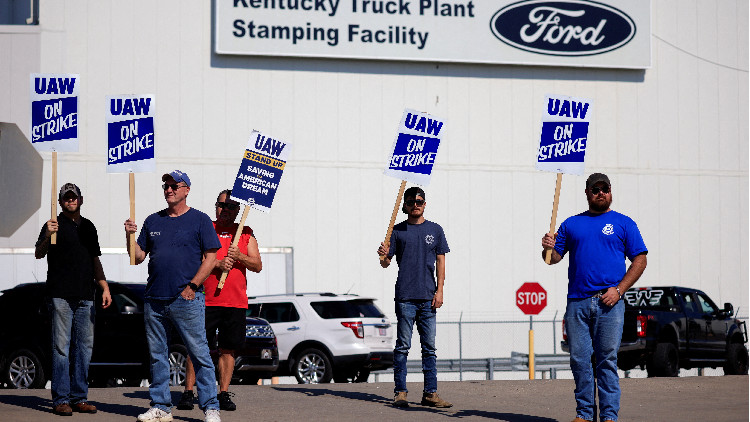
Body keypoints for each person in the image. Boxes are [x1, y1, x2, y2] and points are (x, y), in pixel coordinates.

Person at [541, 173, 648, 422]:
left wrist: (619, 290)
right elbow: (553, 259)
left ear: (610, 192)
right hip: (577, 302)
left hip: (609, 302)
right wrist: (547, 246)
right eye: (595, 189)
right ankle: (584, 414)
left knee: (607, 360)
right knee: (579, 360)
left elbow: (640, 260)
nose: (600, 193)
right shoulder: (571, 224)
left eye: (605, 189)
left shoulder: (624, 223)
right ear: (587, 193)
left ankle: (609, 417)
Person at [124, 170, 222, 422]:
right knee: (158, 355)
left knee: (199, 353)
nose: (169, 189)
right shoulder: (153, 221)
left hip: (186, 299)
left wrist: (193, 285)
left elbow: (212, 258)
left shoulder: (200, 220)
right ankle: (160, 407)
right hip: (155, 299)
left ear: (186, 189)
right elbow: (137, 257)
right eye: (165, 185)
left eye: (174, 185)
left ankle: (211, 406)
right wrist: (130, 236)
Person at [177, 189, 262, 412]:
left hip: (234, 302)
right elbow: (194, 259)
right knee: (196, 348)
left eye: (231, 206)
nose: (225, 210)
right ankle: (188, 392)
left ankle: (223, 392)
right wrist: (218, 263)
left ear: (237, 210)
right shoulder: (207, 228)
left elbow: (257, 265)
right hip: (205, 300)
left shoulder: (245, 232)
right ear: (216, 206)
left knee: (228, 350)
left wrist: (239, 256)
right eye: (221, 205)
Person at [35, 182, 112, 416]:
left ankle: (79, 397)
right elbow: (39, 252)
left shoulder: (89, 227)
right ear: (60, 202)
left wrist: (105, 287)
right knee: (61, 347)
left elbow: (95, 260)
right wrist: (48, 235)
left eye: (74, 197)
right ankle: (61, 399)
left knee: (84, 348)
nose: (71, 200)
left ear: (80, 200)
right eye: (66, 197)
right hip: (60, 295)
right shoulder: (53, 224)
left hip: (86, 295)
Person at [377, 186, 452, 409]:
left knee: (429, 348)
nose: (415, 205)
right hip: (405, 297)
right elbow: (385, 263)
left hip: (428, 297)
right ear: (405, 206)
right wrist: (383, 255)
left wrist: (440, 291)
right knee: (403, 347)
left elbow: (441, 262)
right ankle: (400, 392)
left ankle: (430, 393)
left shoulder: (436, 230)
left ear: (425, 204)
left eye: (419, 201)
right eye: (411, 202)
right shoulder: (397, 231)